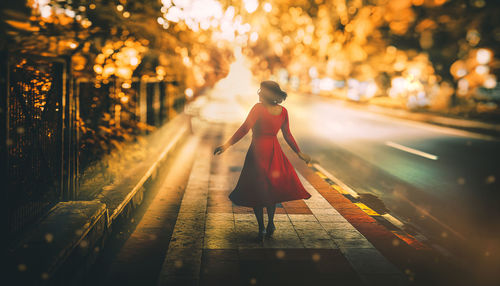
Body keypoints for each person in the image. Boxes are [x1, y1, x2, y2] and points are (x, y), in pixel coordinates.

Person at [213, 80, 312, 241]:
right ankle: (270, 223)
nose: (258, 93)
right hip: (275, 152)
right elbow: (288, 135)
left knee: (257, 190)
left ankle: (262, 228)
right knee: (271, 190)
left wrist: (226, 145)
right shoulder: (283, 111)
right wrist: (299, 153)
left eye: (260, 91)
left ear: (265, 93)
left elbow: (244, 129)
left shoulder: (258, 109)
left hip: (257, 153)